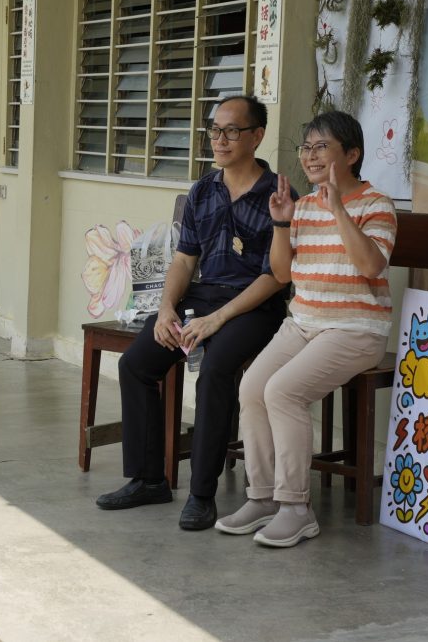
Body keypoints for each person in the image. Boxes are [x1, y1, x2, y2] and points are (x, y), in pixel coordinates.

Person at [96, 95, 293, 530]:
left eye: (232, 131)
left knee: (216, 370)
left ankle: (202, 494)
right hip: (202, 299)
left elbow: (276, 277)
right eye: (215, 131)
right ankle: (149, 479)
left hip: (255, 306)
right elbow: (185, 260)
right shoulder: (203, 190)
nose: (220, 140)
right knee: (136, 364)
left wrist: (218, 319)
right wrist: (167, 308)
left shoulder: (277, 195)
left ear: (257, 136)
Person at [216, 111, 396, 547]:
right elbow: (282, 273)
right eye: (306, 148)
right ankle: (262, 497)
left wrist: (338, 209)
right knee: (252, 388)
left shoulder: (377, 205)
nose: (310, 157)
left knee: (283, 391)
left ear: (351, 155)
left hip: (356, 329)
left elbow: (371, 265)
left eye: (321, 147)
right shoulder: (304, 207)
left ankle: (296, 509)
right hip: (303, 323)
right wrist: (281, 223)